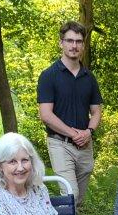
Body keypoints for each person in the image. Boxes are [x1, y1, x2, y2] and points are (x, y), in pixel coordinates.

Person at [37, 20, 102, 205]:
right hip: (60, 143)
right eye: (70, 40)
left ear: (83, 45)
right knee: (69, 195)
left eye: (78, 41)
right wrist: (74, 134)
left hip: (84, 144)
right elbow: (46, 115)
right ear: (61, 43)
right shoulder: (49, 75)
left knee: (78, 200)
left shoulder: (89, 77)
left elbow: (96, 112)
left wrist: (88, 132)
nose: (74, 45)